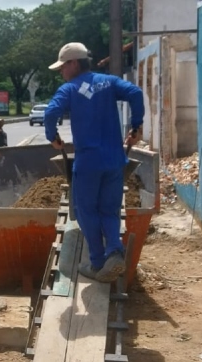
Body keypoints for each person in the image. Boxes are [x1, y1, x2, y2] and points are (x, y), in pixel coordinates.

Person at [44, 42, 144, 283]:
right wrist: (136, 127)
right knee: (109, 209)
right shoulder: (108, 82)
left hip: (88, 163)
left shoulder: (69, 89)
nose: (61, 72)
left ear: (73, 63)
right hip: (114, 160)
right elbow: (135, 93)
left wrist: (52, 137)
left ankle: (98, 263)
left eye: (62, 67)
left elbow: (50, 113)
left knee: (86, 211)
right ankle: (114, 252)